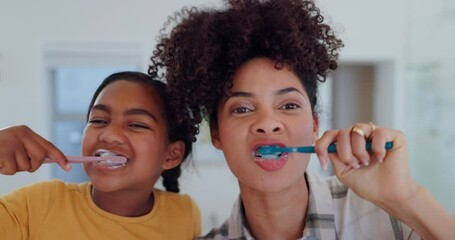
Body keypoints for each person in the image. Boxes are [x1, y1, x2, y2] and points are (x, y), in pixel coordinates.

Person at [149, 0, 455, 239]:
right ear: (216, 134)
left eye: (288, 105)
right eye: (242, 109)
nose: (267, 123)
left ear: (314, 125)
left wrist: (408, 199)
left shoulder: (386, 218)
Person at [0, 71, 201, 239]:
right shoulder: (40, 204)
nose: (109, 134)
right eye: (98, 121)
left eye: (136, 124)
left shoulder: (184, 213)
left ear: (171, 155)